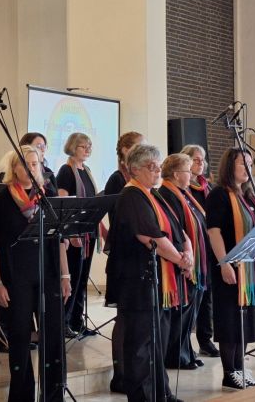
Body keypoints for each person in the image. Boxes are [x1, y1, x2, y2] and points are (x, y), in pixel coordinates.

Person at [105, 144, 192, 402]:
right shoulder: (131, 196)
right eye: (151, 167)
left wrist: (187, 253)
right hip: (137, 282)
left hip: (159, 281)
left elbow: (179, 229)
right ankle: (144, 396)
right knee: (141, 345)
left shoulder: (154, 194)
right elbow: (149, 236)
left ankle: (161, 392)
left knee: (158, 341)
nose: (157, 171)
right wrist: (181, 260)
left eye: (158, 165)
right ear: (134, 169)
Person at [0, 146, 71, 402]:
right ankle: (21, 395)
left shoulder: (47, 195)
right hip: (16, 276)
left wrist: (65, 275)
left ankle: (53, 394)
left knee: (54, 335)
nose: (32, 168)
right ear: (14, 167)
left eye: (36, 164)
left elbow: (57, 239)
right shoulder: (0, 198)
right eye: (27, 164)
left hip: (47, 273)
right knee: (20, 337)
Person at [206, 148, 255, 390]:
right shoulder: (218, 195)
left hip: (252, 271)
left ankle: (240, 368)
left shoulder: (251, 195)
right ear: (229, 167)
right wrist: (224, 263)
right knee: (230, 321)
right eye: (241, 164)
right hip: (230, 268)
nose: (247, 168)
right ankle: (229, 372)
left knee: (245, 323)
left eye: (249, 164)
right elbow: (214, 232)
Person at [159, 154, 209, 370]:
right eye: (188, 171)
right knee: (182, 314)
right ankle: (176, 355)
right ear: (177, 174)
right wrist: (185, 259)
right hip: (183, 262)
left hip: (194, 260)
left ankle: (186, 351)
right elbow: (175, 229)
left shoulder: (183, 193)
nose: (191, 175)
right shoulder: (167, 194)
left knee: (191, 314)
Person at [103, 131, 144, 394]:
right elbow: (114, 214)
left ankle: (133, 372)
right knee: (124, 318)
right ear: (126, 150)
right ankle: (120, 373)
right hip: (124, 255)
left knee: (133, 320)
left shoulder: (136, 179)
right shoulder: (117, 179)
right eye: (139, 147)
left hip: (136, 256)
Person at [56, 132, 99, 336]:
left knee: (82, 280)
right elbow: (64, 204)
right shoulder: (66, 170)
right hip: (75, 235)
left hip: (88, 233)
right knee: (71, 279)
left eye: (89, 146)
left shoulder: (87, 170)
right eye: (83, 146)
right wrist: (71, 234)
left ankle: (76, 320)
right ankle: (63, 321)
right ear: (73, 147)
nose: (88, 149)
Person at [180, 144, 219, 358]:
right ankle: (185, 343)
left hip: (210, 248)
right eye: (195, 159)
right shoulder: (183, 190)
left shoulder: (207, 187)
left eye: (202, 159)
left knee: (208, 297)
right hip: (193, 250)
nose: (200, 163)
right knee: (193, 298)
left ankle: (206, 339)